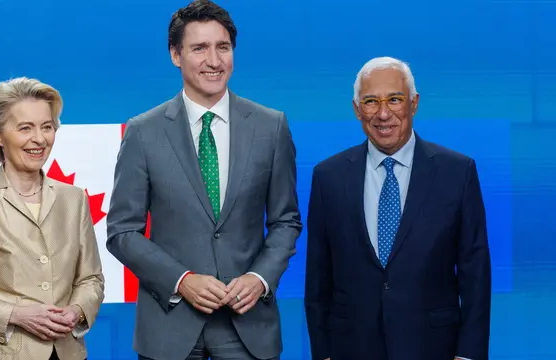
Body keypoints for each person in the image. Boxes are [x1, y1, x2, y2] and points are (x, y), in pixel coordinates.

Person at [106, 1, 302, 359]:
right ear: (175, 55)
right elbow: (122, 232)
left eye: (222, 47)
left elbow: (286, 220)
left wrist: (259, 279)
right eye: (199, 48)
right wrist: (181, 281)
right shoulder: (143, 132)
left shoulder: (270, 127)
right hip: (168, 328)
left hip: (248, 329)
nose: (214, 61)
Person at [304, 57, 491, 360]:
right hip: (351, 348)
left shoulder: (458, 172)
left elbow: (475, 274)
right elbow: (318, 278)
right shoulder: (328, 177)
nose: (382, 113)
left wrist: (469, 354)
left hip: (434, 347)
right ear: (356, 109)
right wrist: (322, 353)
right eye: (370, 101)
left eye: (394, 99)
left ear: (414, 103)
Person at [0, 77, 105, 360]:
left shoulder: (74, 198)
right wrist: (16, 314)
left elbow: (91, 279)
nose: (39, 139)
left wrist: (76, 311)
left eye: (47, 127)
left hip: (68, 352)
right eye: (25, 128)